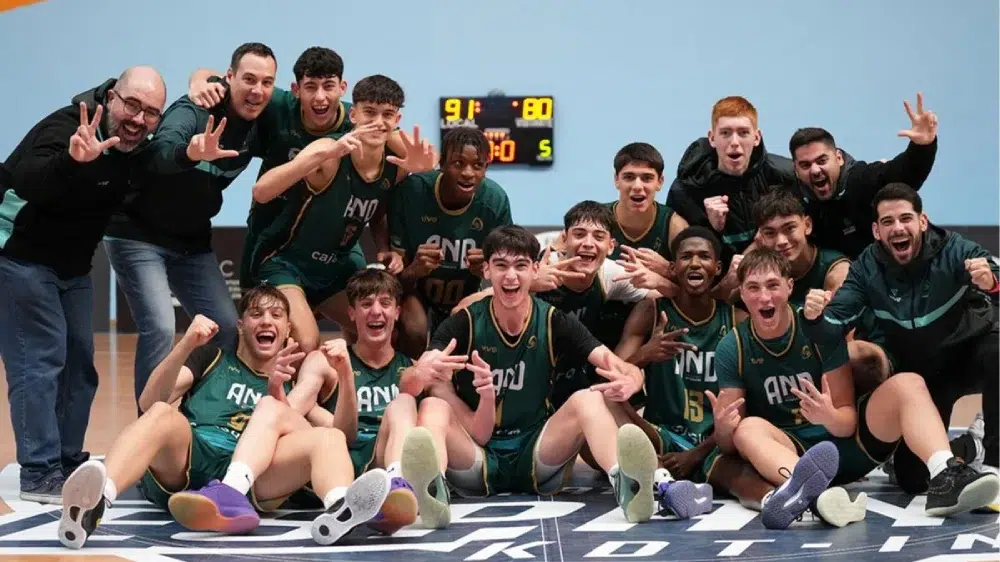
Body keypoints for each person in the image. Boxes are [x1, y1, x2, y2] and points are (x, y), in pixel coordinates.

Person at [57, 285, 392, 549]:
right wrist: (186, 344)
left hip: (259, 476)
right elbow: (149, 401)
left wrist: (279, 390)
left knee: (326, 436)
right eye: (256, 313)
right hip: (194, 459)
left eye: (276, 314)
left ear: (288, 328)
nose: (266, 321)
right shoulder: (213, 357)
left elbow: (331, 434)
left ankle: (340, 509)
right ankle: (95, 504)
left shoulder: (296, 374)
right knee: (161, 413)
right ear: (241, 325)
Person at [710, 248, 999, 530]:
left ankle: (945, 475)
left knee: (908, 383)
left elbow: (847, 423)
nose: (764, 296)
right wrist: (724, 429)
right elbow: (730, 446)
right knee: (746, 428)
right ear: (742, 293)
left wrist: (826, 416)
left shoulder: (816, 328)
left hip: (847, 446)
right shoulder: (731, 348)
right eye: (753, 288)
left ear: (789, 287)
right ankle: (812, 494)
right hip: (788, 451)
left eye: (772, 285)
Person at [0, 67, 167, 503]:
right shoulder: (66, 127)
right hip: (17, 254)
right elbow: (25, 178)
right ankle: (38, 472)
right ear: (111, 97)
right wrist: (71, 160)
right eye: (132, 105)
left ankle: (67, 459)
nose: (138, 118)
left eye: (151, 112)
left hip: (72, 266)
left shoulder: (135, 153)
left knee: (80, 364)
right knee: (39, 361)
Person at [419, 225, 660, 524]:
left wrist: (632, 379)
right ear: (486, 271)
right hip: (474, 454)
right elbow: (425, 367)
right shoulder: (464, 321)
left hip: (537, 452)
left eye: (521, 266)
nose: (511, 276)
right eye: (501, 266)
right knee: (432, 405)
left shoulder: (553, 320)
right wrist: (424, 369)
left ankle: (628, 485)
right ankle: (431, 490)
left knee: (588, 399)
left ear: (535, 270)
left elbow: (617, 365)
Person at [105, 42, 278, 402]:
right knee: (159, 327)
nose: (257, 90)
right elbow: (159, 154)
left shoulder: (263, 119)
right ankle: (147, 432)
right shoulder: (196, 109)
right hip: (138, 235)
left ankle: (206, 416)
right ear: (229, 78)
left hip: (191, 243)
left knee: (229, 328)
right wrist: (190, 152)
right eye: (248, 79)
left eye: (266, 82)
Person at [802, 183, 999, 493]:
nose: (898, 228)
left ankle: (995, 465)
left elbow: (995, 274)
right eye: (887, 222)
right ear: (876, 231)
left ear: (922, 221)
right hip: (926, 376)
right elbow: (833, 326)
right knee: (914, 480)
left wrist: (992, 282)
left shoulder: (954, 249)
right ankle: (970, 449)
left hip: (968, 354)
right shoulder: (867, 267)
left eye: (906, 218)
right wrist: (813, 318)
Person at [187, 47, 407, 287]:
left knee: (359, 300)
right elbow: (214, 74)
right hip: (273, 223)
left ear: (342, 88)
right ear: (296, 90)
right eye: (311, 86)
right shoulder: (278, 105)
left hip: (332, 234)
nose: (320, 97)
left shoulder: (363, 121)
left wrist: (386, 246)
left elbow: (410, 158)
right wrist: (199, 82)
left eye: (329, 86)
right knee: (258, 303)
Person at [249, 74, 434, 352]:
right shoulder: (329, 151)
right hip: (289, 263)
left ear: (396, 121)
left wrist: (385, 247)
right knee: (307, 341)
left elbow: (379, 208)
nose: (377, 122)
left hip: (336, 269)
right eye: (369, 112)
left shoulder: (397, 166)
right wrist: (321, 156)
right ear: (354, 114)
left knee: (386, 334)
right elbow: (260, 191)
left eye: (387, 115)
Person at [276, 268, 460, 532]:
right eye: (366, 304)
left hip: (383, 461)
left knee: (406, 403)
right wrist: (285, 392)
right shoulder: (325, 360)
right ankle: (394, 489)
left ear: (397, 313)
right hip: (338, 462)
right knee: (403, 403)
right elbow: (290, 411)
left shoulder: (411, 368)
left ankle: (406, 488)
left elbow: (437, 427)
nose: (376, 311)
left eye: (385, 303)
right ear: (351, 313)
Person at [751, 190, 892, 393]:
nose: (781, 241)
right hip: (802, 359)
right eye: (770, 233)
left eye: (789, 228)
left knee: (855, 355)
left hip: (864, 359)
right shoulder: (762, 271)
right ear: (760, 237)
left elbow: (841, 345)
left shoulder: (836, 271)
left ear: (807, 225)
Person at [390, 126, 513, 357]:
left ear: (486, 168)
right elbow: (394, 283)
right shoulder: (412, 192)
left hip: (468, 293)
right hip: (416, 291)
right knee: (415, 328)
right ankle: (410, 382)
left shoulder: (495, 201)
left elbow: (509, 275)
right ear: (442, 164)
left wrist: (486, 271)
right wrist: (415, 270)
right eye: (458, 163)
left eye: (477, 165)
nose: (468, 173)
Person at [789, 93, 938, 258]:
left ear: (838, 158)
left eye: (822, 160)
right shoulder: (795, 200)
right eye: (805, 165)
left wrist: (923, 146)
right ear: (795, 169)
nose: (815, 170)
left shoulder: (864, 180)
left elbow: (904, 174)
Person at [666, 96, 795, 268]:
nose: (734, 142)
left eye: (743, 133)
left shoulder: (785, 176)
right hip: (716, 283)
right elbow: (680, 257)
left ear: (756, 138)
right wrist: (710, 228)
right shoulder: (686, 189)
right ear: (712, 138)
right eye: (725, 133)